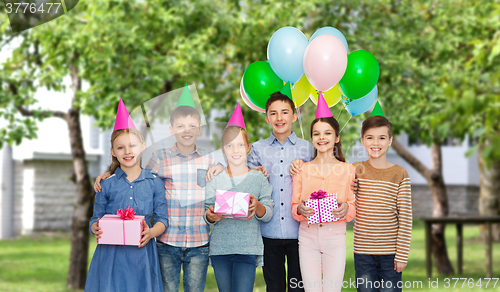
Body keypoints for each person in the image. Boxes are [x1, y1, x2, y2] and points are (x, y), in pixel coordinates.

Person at [93, 85, 223, 292]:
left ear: (200, 129)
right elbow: (135, 174)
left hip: (199, 240)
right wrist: (109, 174)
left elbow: (222, 185)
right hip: (167, 242)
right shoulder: (159, 158)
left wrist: (220, 167)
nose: (186, 130)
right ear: (171, 130)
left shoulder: (210, 159)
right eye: (180, 126)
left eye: (192, 126)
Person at [85, 99, 168, 292]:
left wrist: (152, 233)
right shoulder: (105, 185)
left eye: (132, 145)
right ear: (113, 152)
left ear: (142, 146)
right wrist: (95, 227)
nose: (127, 151)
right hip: (110, 256)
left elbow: (163, 220)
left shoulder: (155, 183)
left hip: (141, 255)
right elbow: (95, 218)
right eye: (120, 147)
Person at [246, 91, 314, 292]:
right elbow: (242, 182)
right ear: (267, 118)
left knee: (298, 287)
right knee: (274, 287)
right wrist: (252, 173)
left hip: (300, 232)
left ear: (294, 116)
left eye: (285, 112)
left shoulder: (308, 149)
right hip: (268, 231)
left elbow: (319, 181)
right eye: (273, 113)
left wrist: (307, 168)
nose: (279, 118)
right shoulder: (257, 149)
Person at [204, 104, 274, 292]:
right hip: (220, 249)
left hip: (247, 249)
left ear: (248, 148)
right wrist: (211, 216)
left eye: (240, 145)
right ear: (223, 149)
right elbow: (207, 212)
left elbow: (267, 213)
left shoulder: (258, 178)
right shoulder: (215, 179)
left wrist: (257, 205)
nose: (235, 150)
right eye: (230, 145)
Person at [291, 95, 356, 292]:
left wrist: (346, 208)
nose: (322, 138)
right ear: (312, 138)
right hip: (307, 236)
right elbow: (295, 208)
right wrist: (300, 209)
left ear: (337, 137)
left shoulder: (348, 170)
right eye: (317, 134)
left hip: (335, 237)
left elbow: (353, 207)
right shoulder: (301, 169)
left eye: (327, 133)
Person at [352, 114, 412, 292]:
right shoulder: (354, 170)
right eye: (370, 137)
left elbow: (406, 217)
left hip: (390, 254)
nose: (375, 143)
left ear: (390, 141)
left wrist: (401, 255)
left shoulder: (400, 174)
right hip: (363, 253)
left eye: (382, 137)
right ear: (362, 140)